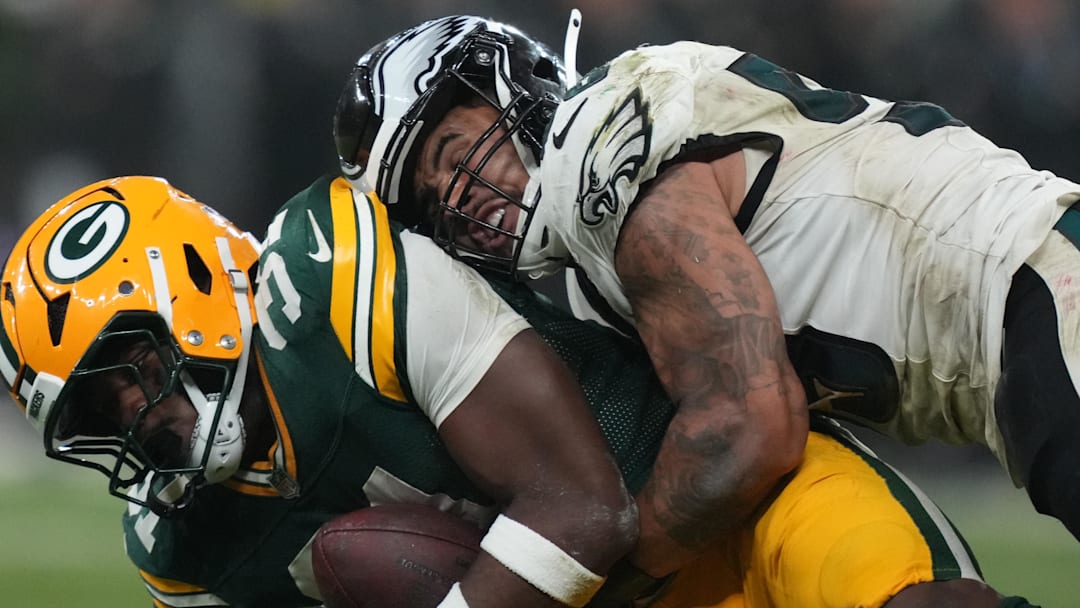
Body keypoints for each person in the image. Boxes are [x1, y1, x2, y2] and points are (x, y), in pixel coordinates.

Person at [0, 175, 1035, 607]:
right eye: (96, 415)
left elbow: (582, 508)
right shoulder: (179, 543)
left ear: (192, 288)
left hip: (735, 499)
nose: (134, 420)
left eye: (129, 376)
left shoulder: (336, 282)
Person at [333, 15, 1080, 567]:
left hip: (1037, 286)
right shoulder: (594, 286)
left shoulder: (599, 141)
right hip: (1014, 329)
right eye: (429, 200)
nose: (456, 196)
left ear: (515, 90)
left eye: (452, 151)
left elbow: (748, 429)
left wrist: (586, 575)